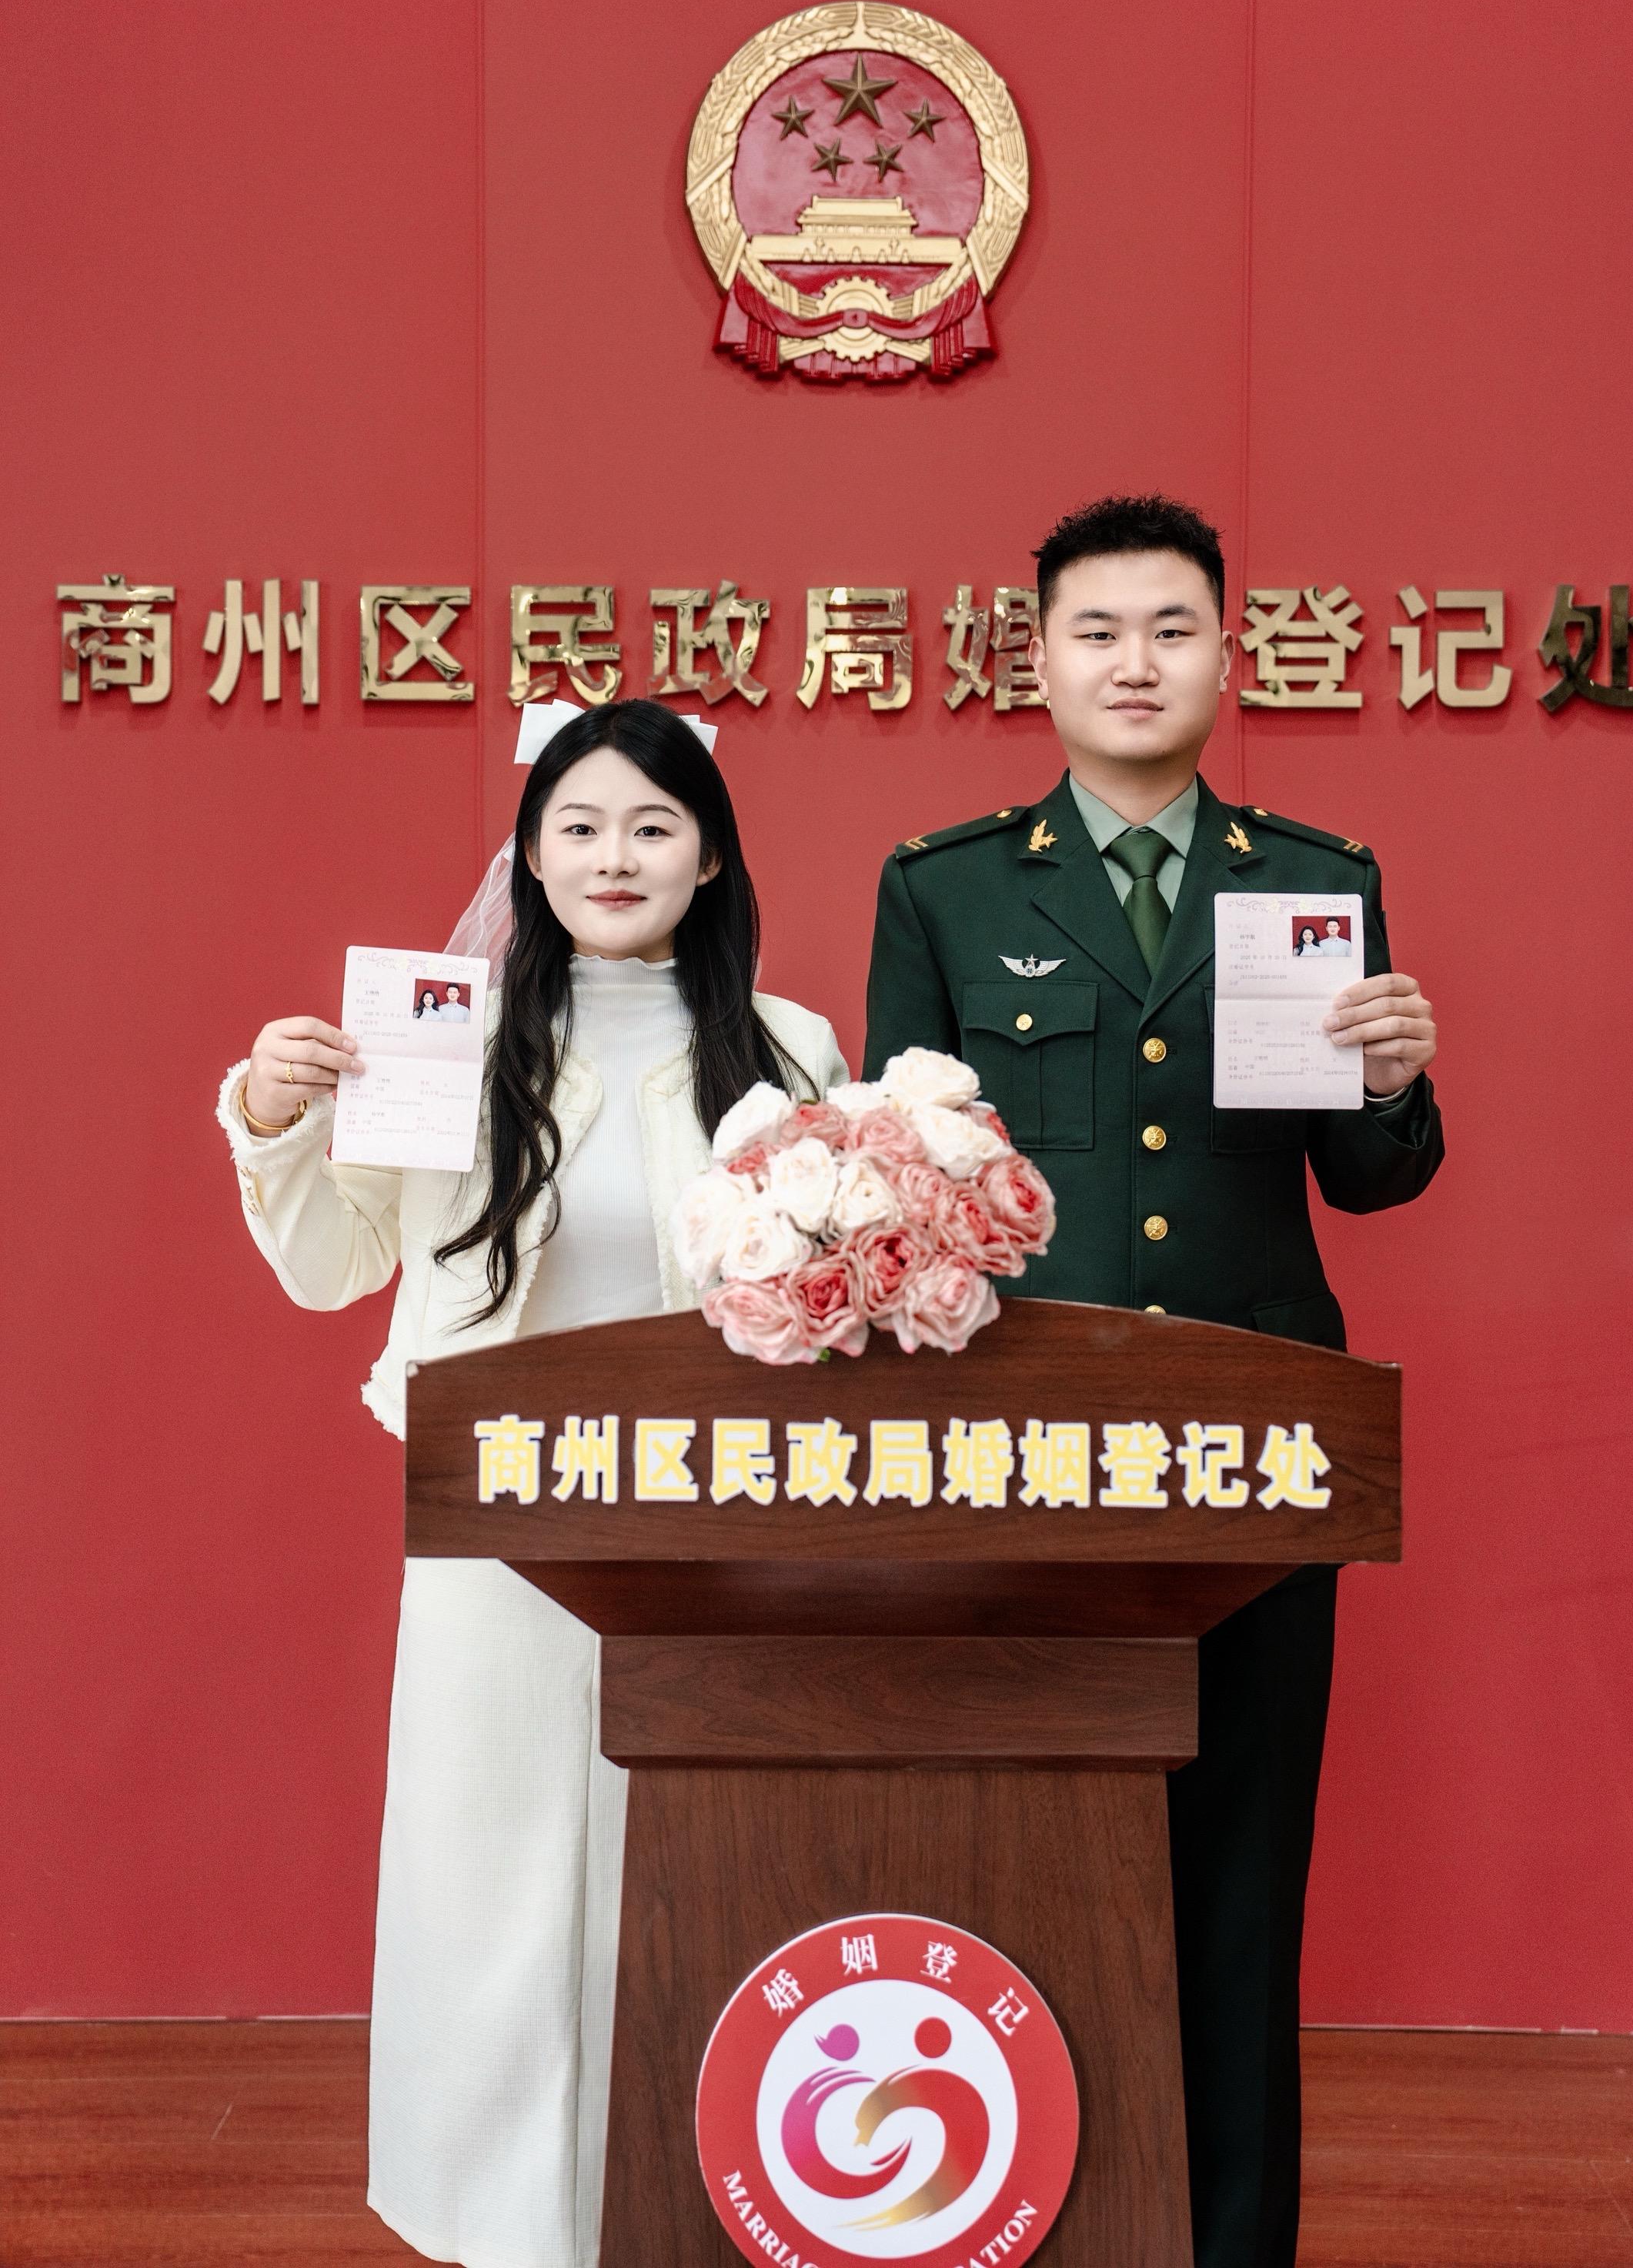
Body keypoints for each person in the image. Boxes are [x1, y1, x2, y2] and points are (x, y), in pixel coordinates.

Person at [863, 492, 1442, 2268]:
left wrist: (1393, 1082)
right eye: (1099, 631)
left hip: (1262, 1451)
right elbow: (900, 1188)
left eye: (1172, 628)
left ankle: (1234, 2245)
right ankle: (1022, 2225)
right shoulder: (945, 888)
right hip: (1025, 1452)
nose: (1136, 661)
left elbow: (1372, 1182)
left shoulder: (1313, 881)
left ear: (1226, 656)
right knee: (1025, 1858)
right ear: (1038, 661)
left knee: (1244, 1881)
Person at [218, 698, 847, 2268]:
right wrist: (278, 1116)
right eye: (578, 827)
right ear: (531, 857)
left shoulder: (792, 1049)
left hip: (713, 1529)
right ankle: (489, 2221)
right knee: (486, 1869)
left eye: (651, 825)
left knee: (692, 1864)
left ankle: (693, 2200)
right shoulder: (447, 1035)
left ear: (710, 858)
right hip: (492, 1526)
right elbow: (335, 1262)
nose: (613, 856)